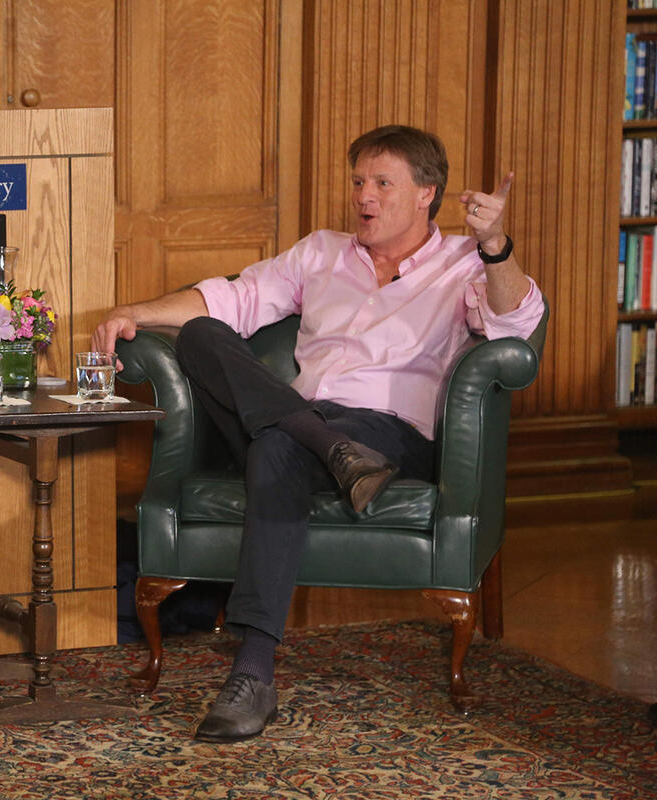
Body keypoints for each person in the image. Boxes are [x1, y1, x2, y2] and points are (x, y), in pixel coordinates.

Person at [92, 125, 545, 743]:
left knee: (276, 443)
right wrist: (134, 313)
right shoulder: (321, 253)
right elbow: (237, 297)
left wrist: (495, 245)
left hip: (388, 433)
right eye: (359, 181)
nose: (365, 195)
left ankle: (252, 673)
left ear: (425, 193)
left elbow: (515, 323)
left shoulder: (463, 262)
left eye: (383, 183)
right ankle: (325, 448)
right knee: (202, 336)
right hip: (308, 417)